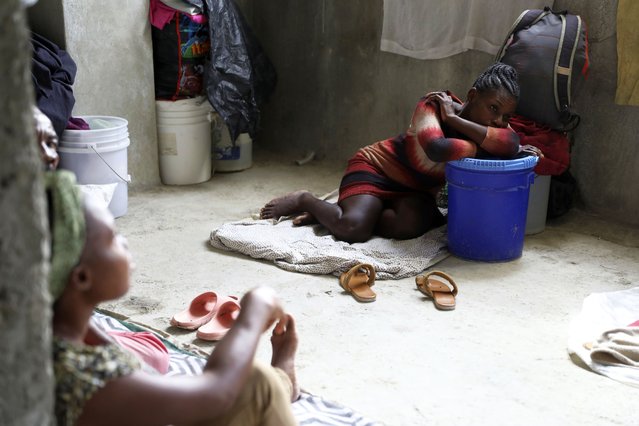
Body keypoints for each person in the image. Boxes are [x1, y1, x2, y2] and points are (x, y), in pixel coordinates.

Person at [47, 170, 300, 426]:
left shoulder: (48, 332)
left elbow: (124, 362)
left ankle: (282, 382)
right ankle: (282, 383)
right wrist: (253, 313)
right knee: (258, 382)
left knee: (254, 380)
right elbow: (216, 394)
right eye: (112, 238)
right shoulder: (86, 377)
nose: (124, 241)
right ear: (81, 278)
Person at [261, 63, 534, 243]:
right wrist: (482, 145)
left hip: (414, 190)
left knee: (408, 228)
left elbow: (510, 144)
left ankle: (331, 214)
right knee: (354, 230)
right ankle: (307, 200)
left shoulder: (465, 121)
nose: (498, 121)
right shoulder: (434, 104)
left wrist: (455, 121)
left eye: (506, 116)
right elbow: (438, 149)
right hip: (376, 169)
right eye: (493, 108)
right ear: (473, 96)